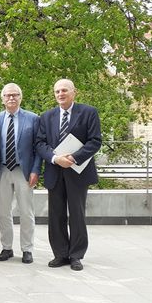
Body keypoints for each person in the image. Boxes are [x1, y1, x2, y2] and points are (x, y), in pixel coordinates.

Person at [35, 79, 101, 271]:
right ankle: (60, 254)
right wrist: (55, 158)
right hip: (55, 171)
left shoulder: (88, 112)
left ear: (74, 92)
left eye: (64, 90)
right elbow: (40, 143)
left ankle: (76, 255)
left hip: (78, 172)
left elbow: (95, 141)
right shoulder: (46, 117)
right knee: (56, 215)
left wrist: (72, 157)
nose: (60, 94)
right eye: (57, 91)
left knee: (77, 215)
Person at [0, 83, 41, 264]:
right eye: (8, 95)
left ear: (21, 97)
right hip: (2, 170)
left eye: (15, 95)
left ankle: (27, 249)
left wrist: (36, 170)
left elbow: (38, 148)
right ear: (2, 98)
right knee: (3, 211)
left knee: (26, 211)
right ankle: (7, 248)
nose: (11, 98)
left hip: (24, 171)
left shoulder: (33, 119)